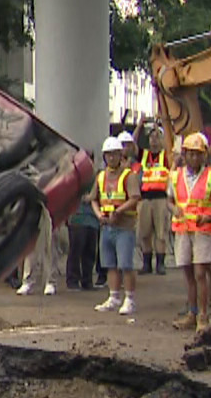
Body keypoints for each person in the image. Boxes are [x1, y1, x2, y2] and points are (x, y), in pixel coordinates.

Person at [169, 132, 211, 333]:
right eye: (190, 154)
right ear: (184, 155)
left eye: (198, 154)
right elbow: (171, 200)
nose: (194, 158)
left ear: (204, 156)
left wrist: (210, 217)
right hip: (183, 229)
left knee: (201, 273)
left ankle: (203, 315)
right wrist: (173, 208)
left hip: (203, 230)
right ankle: (192, 313)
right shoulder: (176, 176)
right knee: (188, 274)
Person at [94, 136, 139, 317]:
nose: (111, 158)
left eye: (114, 155)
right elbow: (94, 199)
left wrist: (119, 211)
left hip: (124, 226)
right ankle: (113, 297)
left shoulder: (129, 176)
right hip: (106, 225)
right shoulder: (101, 176)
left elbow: (135, 198)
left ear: (120, 155)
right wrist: (99, 215)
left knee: (126, 264)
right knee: (110, 264)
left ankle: (129, 298)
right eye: (108, 155)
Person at [135, 124, 172, 276]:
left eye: (157, 136)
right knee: (144, 232)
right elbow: (132, 144)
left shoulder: (166, 157)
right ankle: (146, 263)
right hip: (145, 198)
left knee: (161, 232)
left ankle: (160, 263)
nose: (154, 140)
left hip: (161, 198)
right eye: (151, 137)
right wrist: (140, 125)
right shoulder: (144, 155)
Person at [65, 161, 100, 293]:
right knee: (76, 250)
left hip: (92, 219)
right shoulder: (73, 177)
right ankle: (72, 280)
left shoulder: (97, 177)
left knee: (90, 252)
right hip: (77, 218)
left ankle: (87, 281)